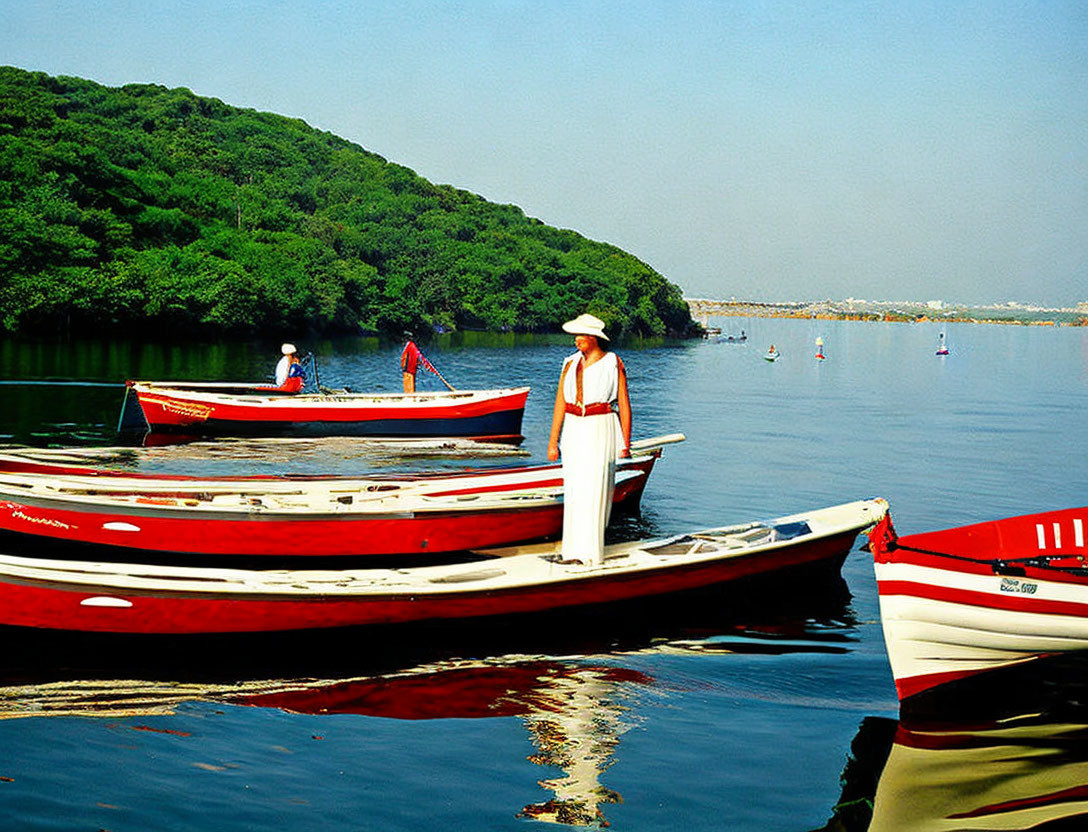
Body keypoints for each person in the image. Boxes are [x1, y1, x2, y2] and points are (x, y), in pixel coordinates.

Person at [546, 313, 632, 566]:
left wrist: (625, 442)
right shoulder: (569, 363)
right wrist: (553, 441)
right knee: (574, 488)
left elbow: (624, 405)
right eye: (576, 335)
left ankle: (590, 555)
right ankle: (571, 552)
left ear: (594, 338)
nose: (576, 340)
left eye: (581, 336)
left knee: (595, 488)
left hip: (600, 424)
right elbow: (560, 401)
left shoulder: (613, 363)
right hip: (574, 427)